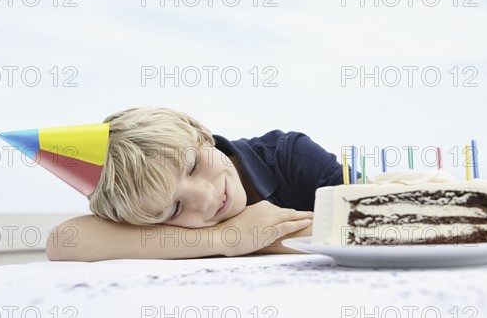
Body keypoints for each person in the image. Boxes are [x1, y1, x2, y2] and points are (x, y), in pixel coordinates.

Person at [46, 107, 359, 261]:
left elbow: (381, 226)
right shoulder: (156, 218)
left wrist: (255, 238)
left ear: (202, 133)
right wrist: (224, 238)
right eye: (175, 207)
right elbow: (65, 240)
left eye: (192, 165)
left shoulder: (291, 156)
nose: (204, 197)